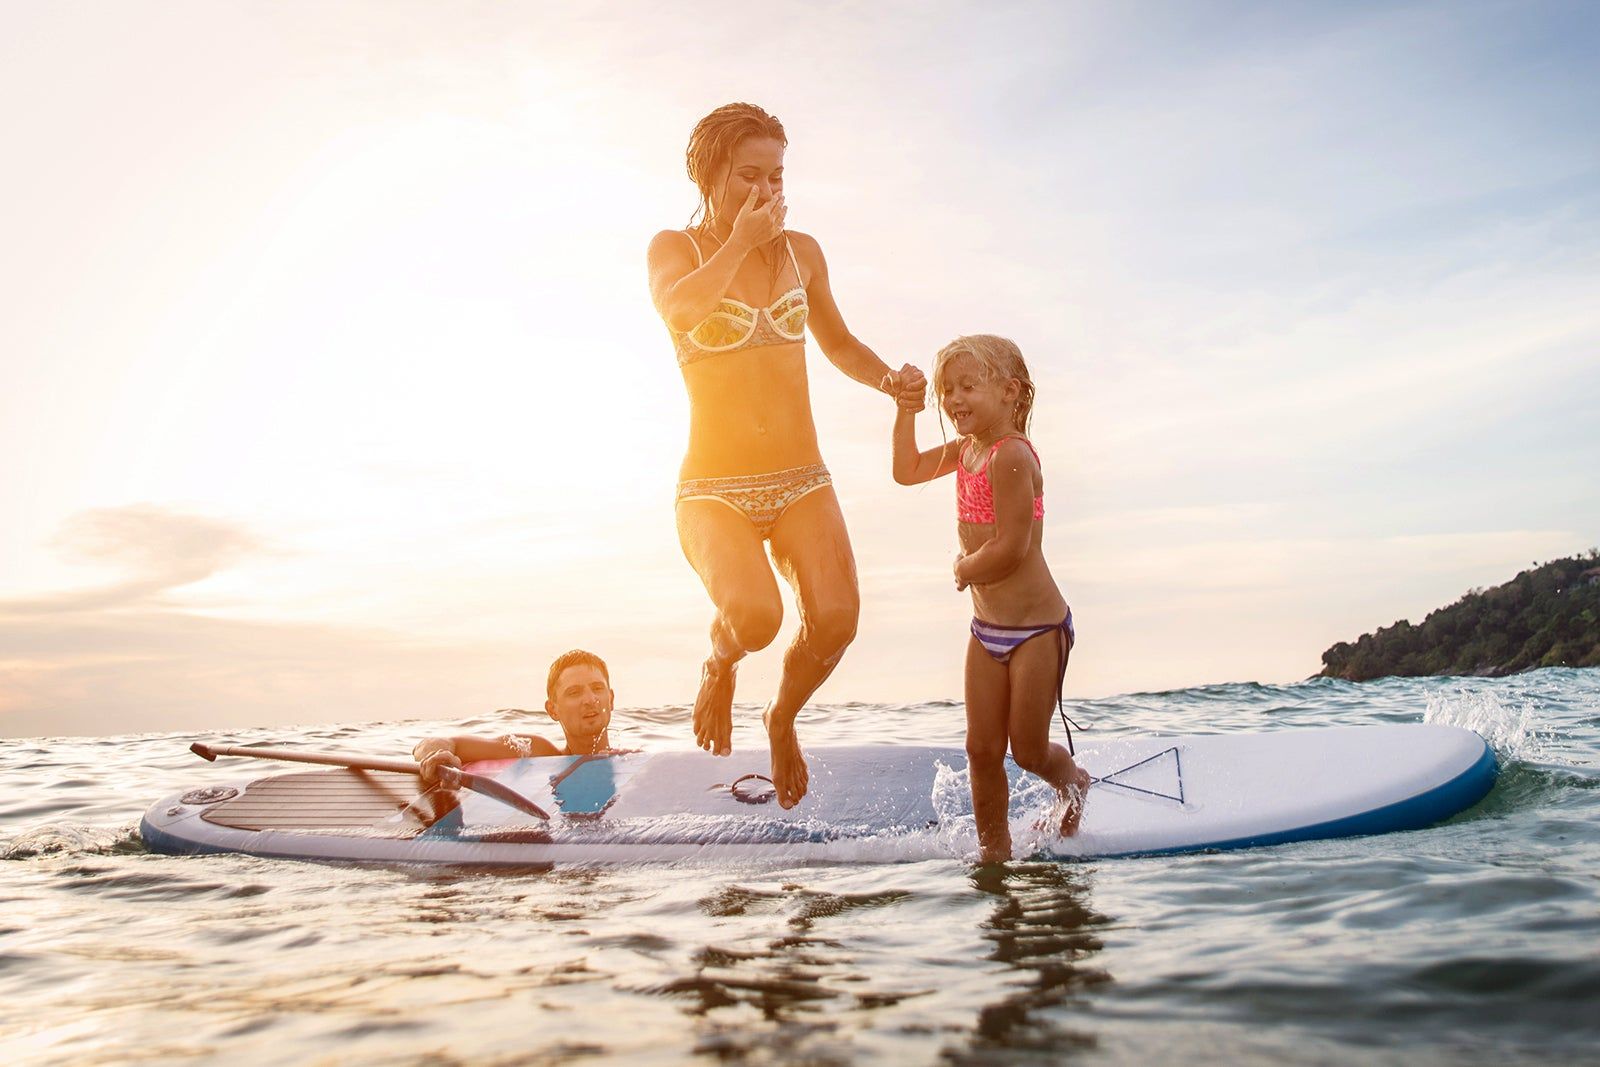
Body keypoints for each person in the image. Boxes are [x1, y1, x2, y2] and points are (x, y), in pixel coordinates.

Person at [646, 102, 924, 809]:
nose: (765, 192)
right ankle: (720, 660)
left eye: (776, 175)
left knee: (836, 620)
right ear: (708, 176)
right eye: (747, 176)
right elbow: (680, 310)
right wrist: (739, 242)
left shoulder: (804, 251)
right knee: (758, 619)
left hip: (801, 478)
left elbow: (837, 342)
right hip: (712, 487)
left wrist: (888, 378)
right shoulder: (673, 250)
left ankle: (782, 717)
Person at [890, 335, 1090, 862]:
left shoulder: (1012, 456)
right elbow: (906, 470)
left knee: (1025, 750)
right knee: (981, 750)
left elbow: (1011, 548)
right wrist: (905, 410)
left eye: (968, 386)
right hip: (987, 630)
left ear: (1010, 392)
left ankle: (1073, 781)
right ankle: (994, 852)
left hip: (1037, 630)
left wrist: (964, 568)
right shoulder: (966, 451)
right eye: (946, 390)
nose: (954, 399)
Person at [412, 649, 616, 787]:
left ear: (611, 698)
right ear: (553, 709)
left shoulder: (636, 762)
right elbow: (438, 743)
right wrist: (437, 756)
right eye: (574, 693)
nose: (590, 700)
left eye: (597, 689)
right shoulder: (534, 750)